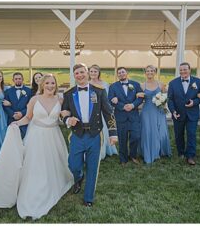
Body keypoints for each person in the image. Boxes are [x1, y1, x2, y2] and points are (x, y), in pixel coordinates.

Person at [0, 74, 73, 219]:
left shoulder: (60, 100)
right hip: (36, 136)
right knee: (36, 165)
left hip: (54, 136)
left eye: (53, 83)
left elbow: (62, 117)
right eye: (48, 83)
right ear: (42, 85)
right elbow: (28, 117)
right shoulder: (34, 99)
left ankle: (54, 182)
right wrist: (16, 123)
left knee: (55, 163)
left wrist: (68, 118)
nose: (50, 86)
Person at [59, 65, 118, 209]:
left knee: (93, 167)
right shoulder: (69, 93)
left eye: (82, 72)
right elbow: (64, 112)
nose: (79, 75)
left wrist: (113, 133)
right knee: (73, 164)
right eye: (76, 73)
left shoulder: (99, 91)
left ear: (87, 73)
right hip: (77, 134)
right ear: (74, 76)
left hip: (95, 135)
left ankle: (88, 198)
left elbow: (109, 113)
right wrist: (67, 120)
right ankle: (78, 177)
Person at [168, 61, 200, 165]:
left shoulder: (198, 82)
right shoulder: (173, 83)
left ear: (190, 70)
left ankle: (190, 156)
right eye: (181, 70)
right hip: (178, 114)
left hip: (192, 113)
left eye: (185, 69)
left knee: (191, 134)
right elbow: (170, 99)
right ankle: (181, 152)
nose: (183, 71)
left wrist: (194, 102)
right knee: (178, 135)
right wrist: (173, 111)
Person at [108, 66, 143, 164]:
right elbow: (110, 99)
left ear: (127, 73)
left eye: (123, 72)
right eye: (119, 73)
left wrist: (133, 105)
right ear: (117, 75)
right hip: (120, 116)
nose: (121, 74)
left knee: (136, 136)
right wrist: (122, 106)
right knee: (122, 138)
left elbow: (140, 97)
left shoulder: (135, 84)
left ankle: (133, 155)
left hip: (133, 115)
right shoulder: (113, 86)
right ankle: (123, 159)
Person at [139, 64, 171, 165]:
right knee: (148, 131)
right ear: (145, 73)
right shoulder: (141, 85)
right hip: (147, 111)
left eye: (152, 71)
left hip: (159, 111)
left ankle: (160, 150)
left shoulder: (161, 84)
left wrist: (164, 103)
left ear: (155, 72)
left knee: (160, 131)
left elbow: (166, 96)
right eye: (147, 71)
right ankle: (148, 152)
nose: (150, 73)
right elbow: (139, 100)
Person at [88, 65, 118, 160]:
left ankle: (105, 149)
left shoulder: (104, 84)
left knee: (104, 129)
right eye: (91, 71)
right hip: (91, 111)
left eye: (95, 71)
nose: (93, 73)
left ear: (98, 73)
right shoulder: (87, 84)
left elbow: (107, 98)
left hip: (102, 110)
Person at [2, 72, 31, 140]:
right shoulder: (8, 91)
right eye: (16, 79)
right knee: (12, 139)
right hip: (12, 119)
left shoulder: (29, 91)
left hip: (25, 118)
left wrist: (22, 113)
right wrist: (12, 114)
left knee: (25, 138)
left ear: (23, 79)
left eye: (19, 79)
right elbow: (5, 105)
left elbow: (31, 105)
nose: (18, 80)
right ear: (13, 80)